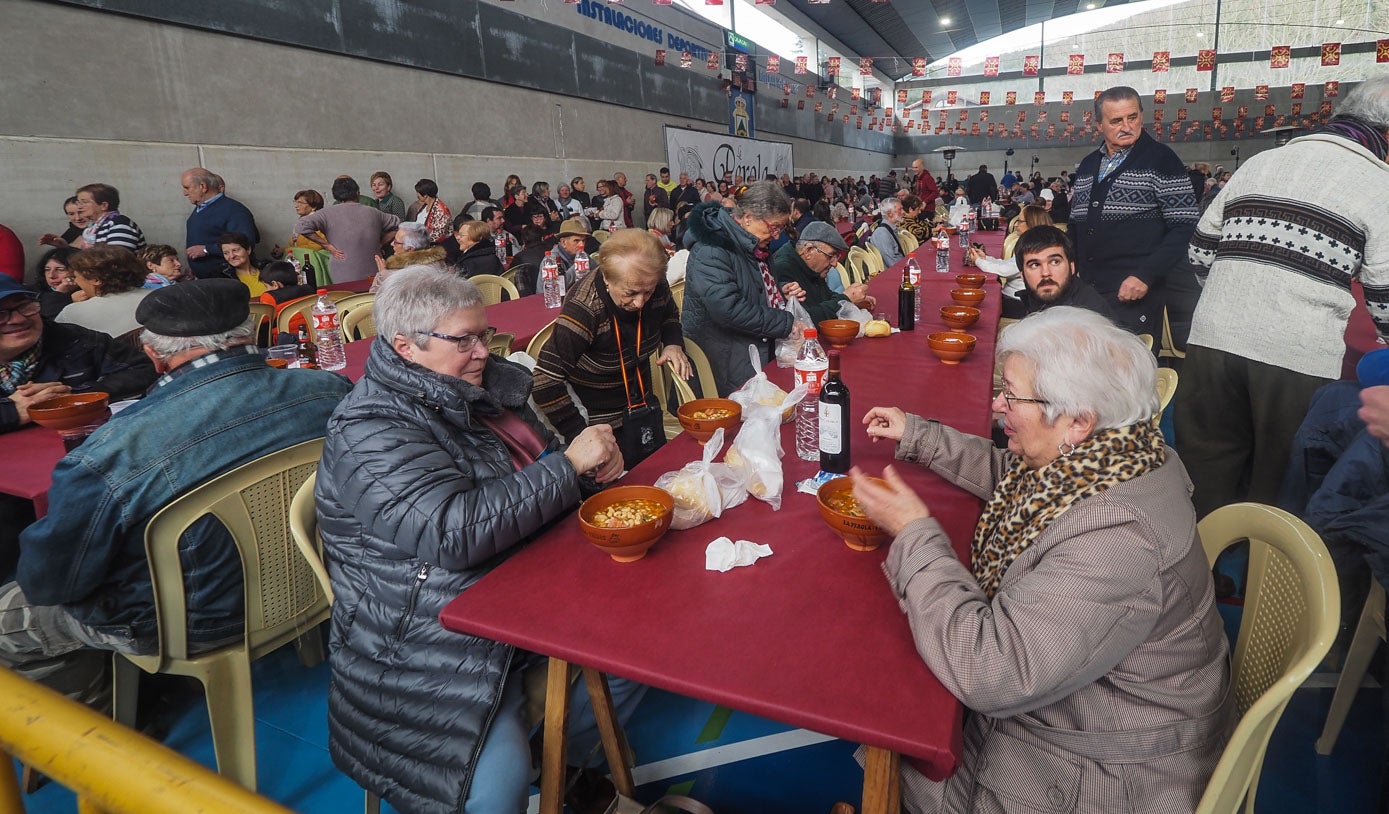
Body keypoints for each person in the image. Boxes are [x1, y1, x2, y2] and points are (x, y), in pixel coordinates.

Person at [853, 306, 1231, 813]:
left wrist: (915, 534)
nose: (995, 405)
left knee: (893, 718)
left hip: (1107, 772)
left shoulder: (1120, 535)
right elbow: (1017, 479)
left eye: (1011, 394)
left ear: (1077, 420)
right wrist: (920, 436)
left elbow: (990, 671)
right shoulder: (1119, 455)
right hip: (1102, 705)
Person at [315, 267, 642, 813]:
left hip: (525, 581)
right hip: (424, 632)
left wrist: (590, 471)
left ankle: (565, 762)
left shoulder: (487, 392)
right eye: (462, 340)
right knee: (495, 788)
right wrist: (567, 468)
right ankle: (541, 759)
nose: (483, 351)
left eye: (484, 336)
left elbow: (537, 472)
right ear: (405, 347)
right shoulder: (370, 429)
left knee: (642, 641)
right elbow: (450, 534)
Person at [2, 279, 350, 710]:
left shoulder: (111, 453)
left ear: (152, 354)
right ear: (247, 331)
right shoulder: (329, 392)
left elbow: (51, 581)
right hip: (315, 579)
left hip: (191, 622)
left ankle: (100, 717)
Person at [1177, 76, 1389, 518]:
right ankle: (1263, 584)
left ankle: (1194, 579)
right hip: (1297, 354)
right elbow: (1385, 296)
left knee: (1204, 474)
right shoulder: (1378, 184)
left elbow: (1199, 249)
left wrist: (1230, 296)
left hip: (1213, 338)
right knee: (1277, 490)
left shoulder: (1261, 162)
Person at [533, 229, 690, 463]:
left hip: (641, 406)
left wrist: (673, 343)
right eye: (630, 293)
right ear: (607, 278)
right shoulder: (585, 308)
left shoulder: (652, 281)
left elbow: (668, 313)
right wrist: (582, 436)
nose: (640, 303)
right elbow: (544, 381)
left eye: (647, 292)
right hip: (598, 420)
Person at [1069, 86, 1198, 334]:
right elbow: (1076, 225)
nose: (1126, 126)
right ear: (1099, 125)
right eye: (1116, 120)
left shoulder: (1162, 160)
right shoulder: (1088, 165)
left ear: (1141, 115)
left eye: (1133, 117)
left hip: (1136, 291)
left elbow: (1185, 226)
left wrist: (1145, 275)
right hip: (1090, 291)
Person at [681, 182, 804, 396]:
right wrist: (786, 322)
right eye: (773, 227)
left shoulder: (751, 243)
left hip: (751, 347)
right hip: (724, 361)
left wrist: (776, 292)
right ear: (747, 218)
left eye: (781, 228)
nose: (777, 236)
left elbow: (749, 286)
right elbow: (728, 309)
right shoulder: (711, 249)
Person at [0, 274, 155, 434]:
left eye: (24, 306)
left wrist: (74, 397)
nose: (18, 319)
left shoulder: (75, 340)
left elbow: (145, 370)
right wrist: (12, 411)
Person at [294, 177, 401, 283]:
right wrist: (380, 243)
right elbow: (398, 224)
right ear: (358, 193)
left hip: (343, 269)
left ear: (336, 196)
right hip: (373, 267)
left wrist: (327, 246)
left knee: (348, 298)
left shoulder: (327, 214)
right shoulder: (374, 213)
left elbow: (301, 226)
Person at [771, 221, 874, 323]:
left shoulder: (812, 266)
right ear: (808, 251)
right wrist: (846, 300)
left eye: (837, 256)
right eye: (831, 256)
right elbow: (803, 318)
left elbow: (826, 297)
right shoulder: (782, 268)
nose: (834, 264)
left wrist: (851, 302)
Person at [1010, 225, 1114, 319]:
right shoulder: (1036, 300)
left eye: (1055, 262)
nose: (1045, 273)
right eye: (1035, 265)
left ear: (1072, 267)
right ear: (1022, 275)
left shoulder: (1090, 317)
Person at [967, 204, 1052, 319]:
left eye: (1020, 221)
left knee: (977, 307)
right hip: (1016, 299)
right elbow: (1009, 264)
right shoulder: (1034, 244)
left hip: (1019, 303)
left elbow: (1005, 270)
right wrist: (985, 258)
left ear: (1031, 224)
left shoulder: (1034, 250)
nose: (1016, 224)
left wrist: (978, 261)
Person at [181, 168, 259, 280]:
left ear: (203, 187)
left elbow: (246, 242)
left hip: (229, 281)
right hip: (208, 281)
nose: (184, 193)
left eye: (187, 188)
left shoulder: (234, 210)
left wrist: (206, 249)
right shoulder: (200, 209)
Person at [56, 246, 151, 338]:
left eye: (76, 276)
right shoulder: (161, 296)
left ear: (95, 279)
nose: (76, 281)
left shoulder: (71, 314)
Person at [40, 184, 145, 251]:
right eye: (79, 202)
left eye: (84, 202)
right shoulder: (93, 227)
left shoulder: (120, 224)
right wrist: (66, 247)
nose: (80, 207)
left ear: (103, 205)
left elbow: (116, 262)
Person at [372, 222, 446, 293]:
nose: (391, 244)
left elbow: (373, 296)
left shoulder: (393, 274)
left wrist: (382, 274)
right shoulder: (439, 265)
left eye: (396, 242)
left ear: (410, 249)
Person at [32, 247, 80, 319]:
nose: (51, 275)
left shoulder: (89, 295)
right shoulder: (32, 294)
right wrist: (58, 294)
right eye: (47, 269)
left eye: (60, 270)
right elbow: (49, 323)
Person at [217, 231, 266, 297]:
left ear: (248, 250)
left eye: (235, 250)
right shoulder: (222, 278)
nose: (231, 256)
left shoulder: (267, 268)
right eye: (226, 253)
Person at [412, 178, 452, 243]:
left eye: (418, 193)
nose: (417, 195)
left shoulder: (441, 210)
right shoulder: (424, 206)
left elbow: (439, 235)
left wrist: (418, 241)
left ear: (425, 195)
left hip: (436, 247)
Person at [869, 199, 907, 267]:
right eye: (900, 209)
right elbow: (892, 264)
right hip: (894, 273)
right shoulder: (882, 234)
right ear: (890, 213)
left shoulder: (890, 229)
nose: (903, 212)